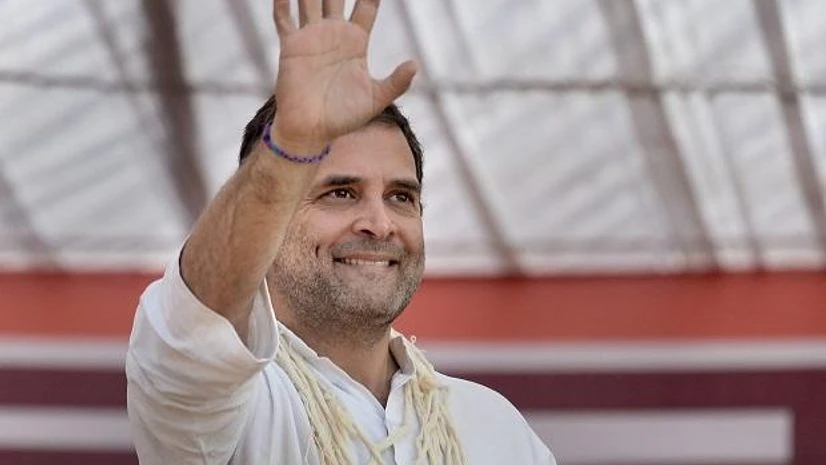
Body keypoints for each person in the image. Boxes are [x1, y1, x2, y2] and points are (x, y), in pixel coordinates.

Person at [125, 0, 556, 463]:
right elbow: (192, 329)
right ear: (268, 228)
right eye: (341, 193)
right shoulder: (234, 406)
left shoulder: (493, 424)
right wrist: (292, 144)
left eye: (400, 197)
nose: (380, 223)